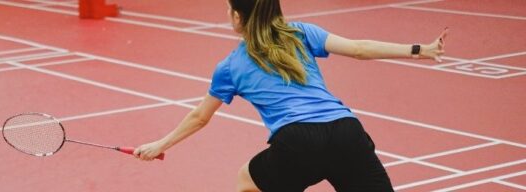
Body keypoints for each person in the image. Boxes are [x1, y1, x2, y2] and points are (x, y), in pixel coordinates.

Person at [132, 0, 448, 191]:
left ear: (238, 18)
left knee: (246, 181)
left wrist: (159, 145)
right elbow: (359, 49)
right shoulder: (300, 33)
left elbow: (200, 116)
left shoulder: (229, 66)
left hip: (298, 141)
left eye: (229, 9)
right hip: (347, 131)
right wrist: (419, 50)